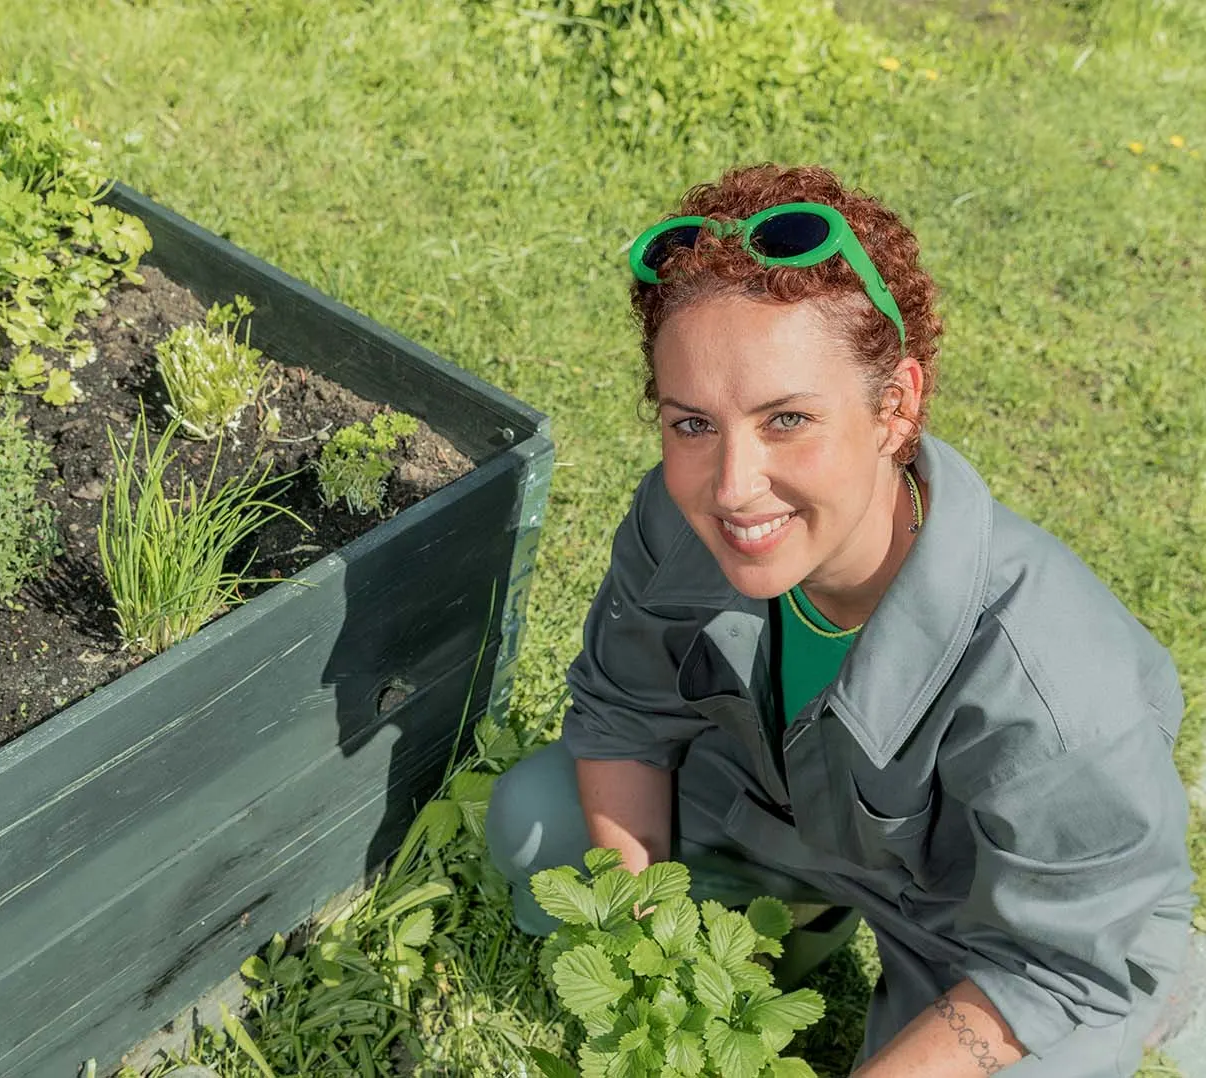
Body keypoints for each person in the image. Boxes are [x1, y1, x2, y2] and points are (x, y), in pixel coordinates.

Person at [484, 163, 1195, 1076]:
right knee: (537, 820)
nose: (734, 490)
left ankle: (1170, 989)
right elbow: (624, 711)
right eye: (692, 425)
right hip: (789, 824)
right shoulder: (679, 524)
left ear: (893, 407)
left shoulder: (1053, 684)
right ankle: (801, 927)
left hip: (994, 925)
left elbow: (1053, 966)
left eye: (787, 419)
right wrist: (647, 940)